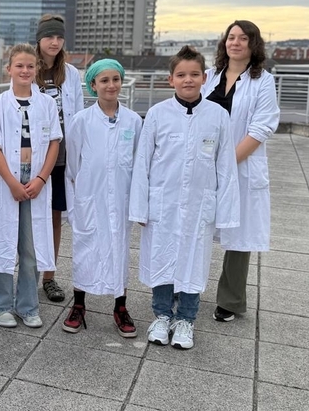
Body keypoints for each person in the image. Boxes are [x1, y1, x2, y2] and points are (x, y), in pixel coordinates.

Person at [129, 46, 240, 350]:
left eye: (194, 74)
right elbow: (143, 164)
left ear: (204, 77)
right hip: (162, 204)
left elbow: (226, 166)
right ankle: (162, 315)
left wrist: (226, 213)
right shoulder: (157, 114)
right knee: (162, 259)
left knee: (193, 262)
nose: (188, 80)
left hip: (198, 206)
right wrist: (140, 206)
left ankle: (186, 319)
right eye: (181, 75)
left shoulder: (217, 115)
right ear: (171, 80)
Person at [202, 21, 279, 322]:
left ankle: (230, 300)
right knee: (197, 228)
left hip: (240, 166)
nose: (235, 43)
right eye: (231, 37)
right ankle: (185, 290)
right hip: (204, 164)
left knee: (239, 235)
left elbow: (262, 127)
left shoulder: (263, 81)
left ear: (253, 44)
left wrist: (227, 165)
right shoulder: (209, 76)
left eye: (242, 38)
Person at [0, 44, 60, 329]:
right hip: (8, 186)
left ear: (36, 69)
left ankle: (28, 305)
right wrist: (12, 183)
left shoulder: (47, 104)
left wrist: (40, 179)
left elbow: (54, 143)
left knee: (31, 249)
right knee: (1, 244)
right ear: (9, 69)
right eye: (19, 66)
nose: (25, 71)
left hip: (36, 187)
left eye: (30, 66)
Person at [63, 59, 143, 336]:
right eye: (104, 80)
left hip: (120, 200)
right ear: (93, 85)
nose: (111, 85)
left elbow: (137, 162)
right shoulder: (81, 121)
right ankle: (79, 304)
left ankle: (120, 306)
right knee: (84, 249)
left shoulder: (133, 121)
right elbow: (73, 164)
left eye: (116, 79)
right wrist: (78, 199)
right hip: (89, 197)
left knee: (120, 250)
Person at [34, 14, 84, 303]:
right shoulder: (29, 67)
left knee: (54, 217)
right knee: (30, 217)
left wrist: (78, 159)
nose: (54, 42)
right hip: (35, 157)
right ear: (39, 39)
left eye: (59, 37)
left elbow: (76, 117)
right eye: (49, 36)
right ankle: (28, 273)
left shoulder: (71, 73)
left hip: (62, 157)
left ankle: (49, 276)